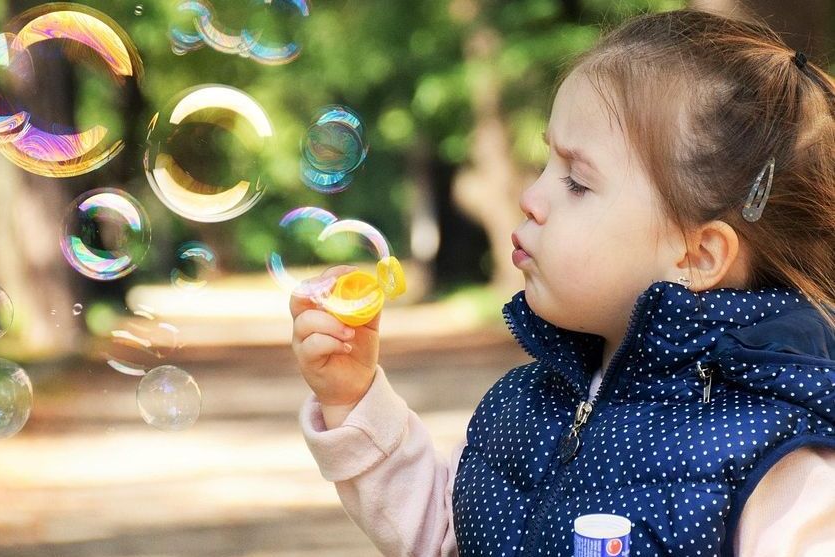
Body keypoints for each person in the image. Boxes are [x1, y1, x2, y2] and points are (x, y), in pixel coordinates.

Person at [289, 8, 835, 557]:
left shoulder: (775, 459)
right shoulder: (527, 405)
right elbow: (447, 535)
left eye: (576, 181)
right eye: (546, 162)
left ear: (697, 255)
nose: (531, 197)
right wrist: (354, 397)